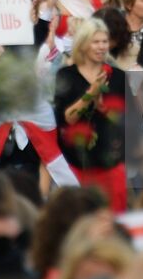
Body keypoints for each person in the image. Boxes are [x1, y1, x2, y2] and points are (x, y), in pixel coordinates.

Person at [53, 18, 128, 211]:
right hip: (77, 164)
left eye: (104, 41)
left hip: (111, 164)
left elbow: (127, 120)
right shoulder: (66, 75)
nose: (101, 46)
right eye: (96, 42)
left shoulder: (119, 77)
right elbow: (67, 118)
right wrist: (91, 93)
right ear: (83, 44)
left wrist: (104, 108)